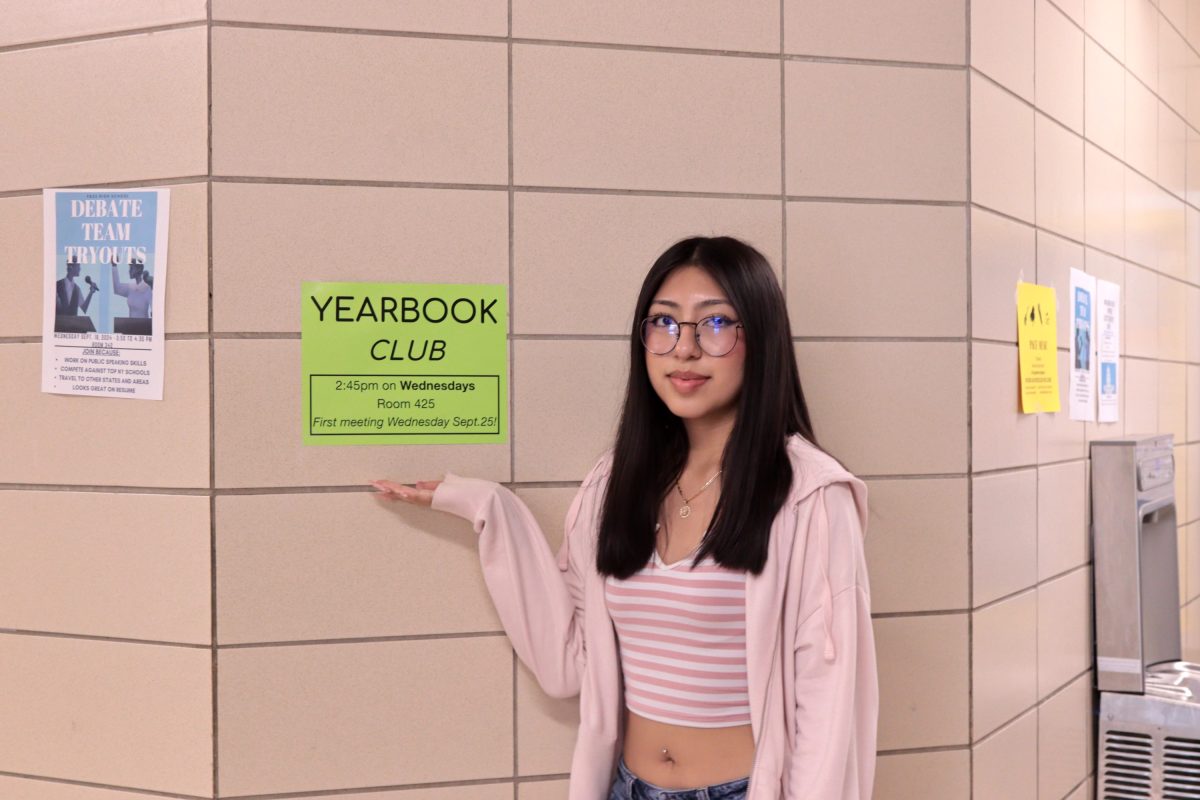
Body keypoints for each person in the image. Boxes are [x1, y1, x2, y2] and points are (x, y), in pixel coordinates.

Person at [371, 236, 877, 800]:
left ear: (760, 341)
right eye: (663, 323)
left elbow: (828, 702)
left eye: (714, 325)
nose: (683, 349)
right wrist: (488, 508)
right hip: (627, 788)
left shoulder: (808, 494)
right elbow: (568, 662)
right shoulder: (616, 482)